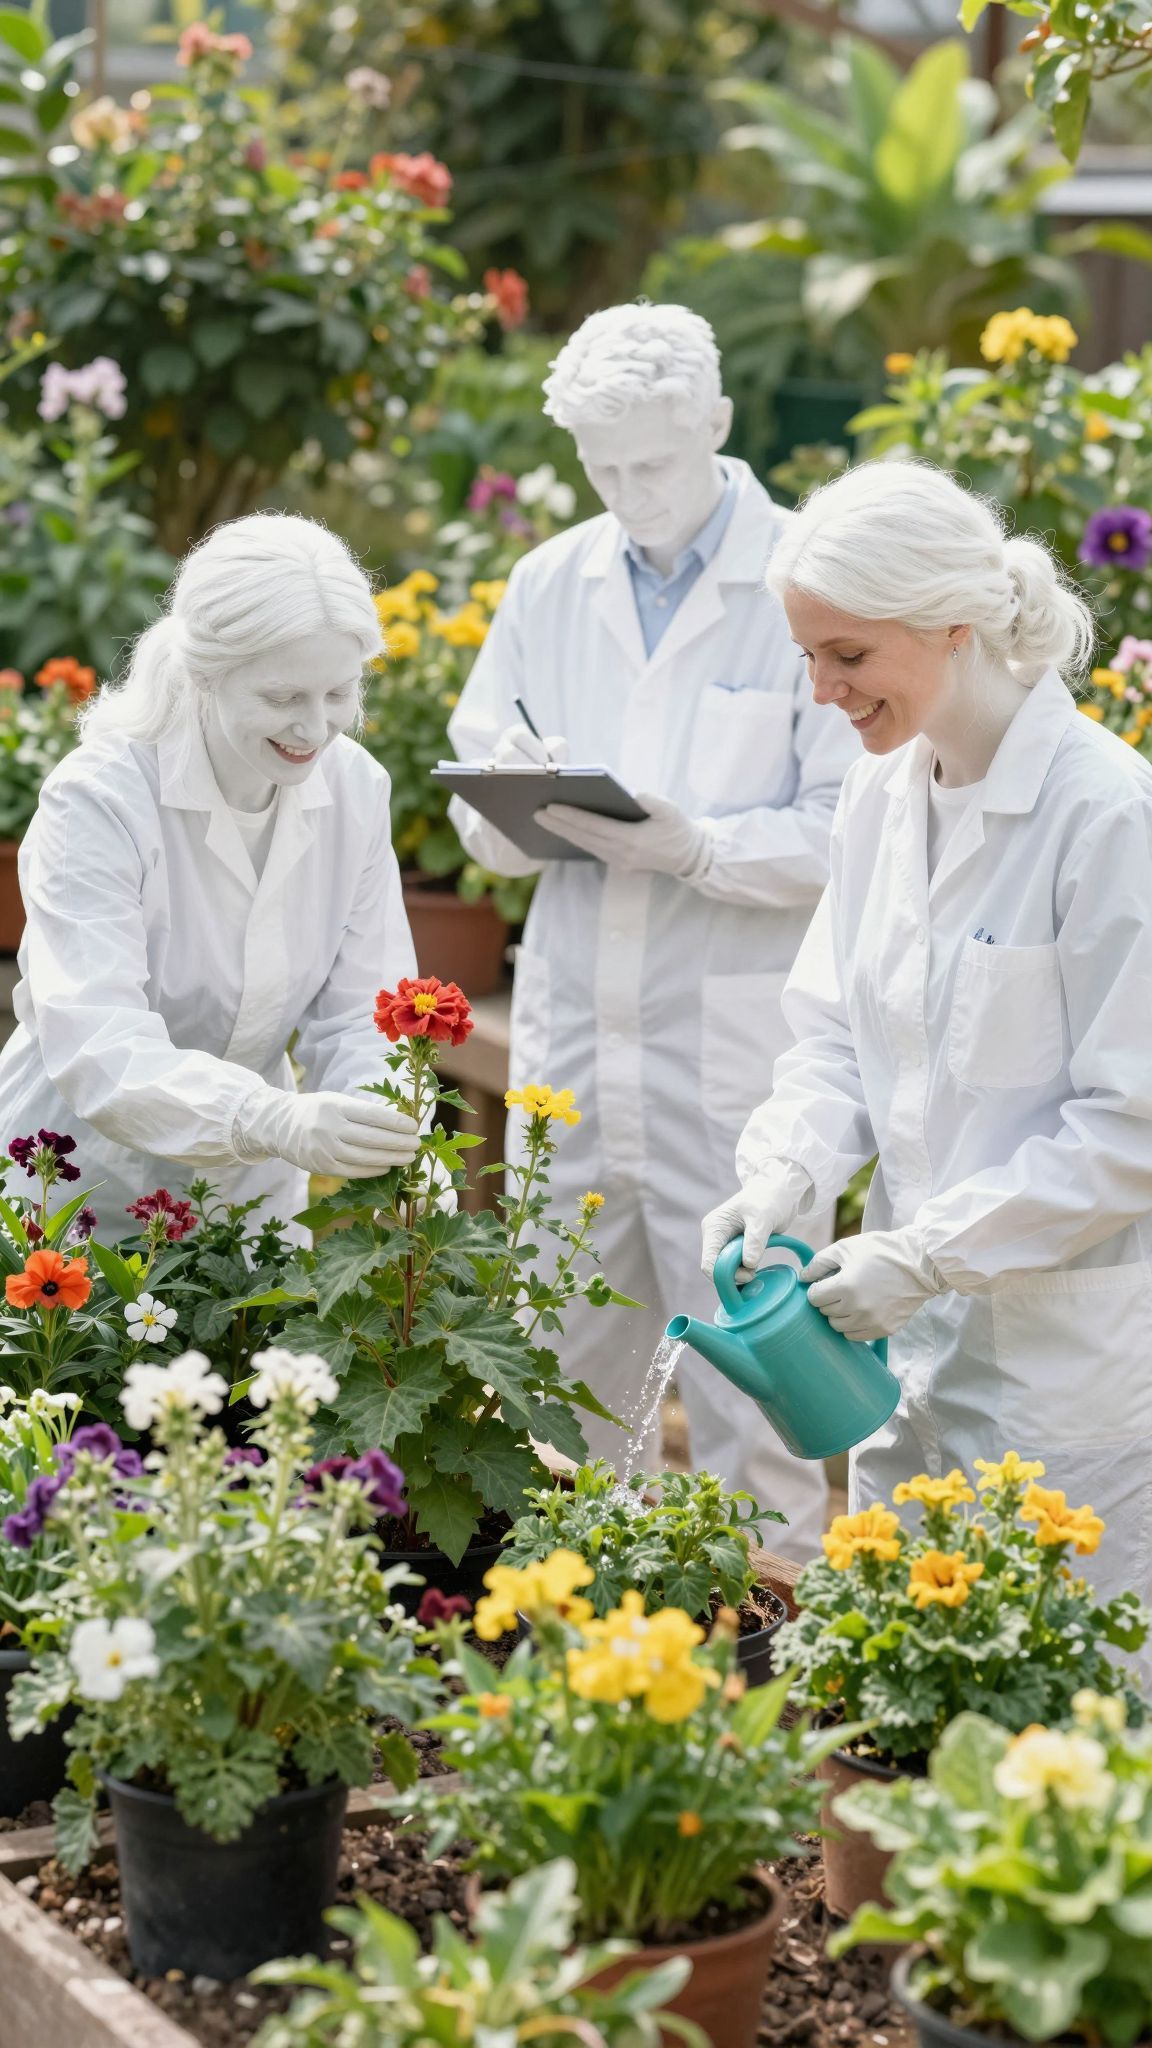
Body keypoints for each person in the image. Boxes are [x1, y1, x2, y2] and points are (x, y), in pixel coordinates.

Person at [702, 458, 1152, 1624]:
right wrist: (785, 1172)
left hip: (1068, 1375)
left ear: (955, 623)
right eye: (808, 655)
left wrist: (930, 1251)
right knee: (899, 1709)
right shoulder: (881, 794)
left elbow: (1130, 1125)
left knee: (1068, 1723)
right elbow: (835, 1037)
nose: (821, 692)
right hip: (906, 1359)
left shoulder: (1106, 815)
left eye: (848, 655)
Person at [447, 304, 859, 1557]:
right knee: (567, 1353)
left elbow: (853, 825)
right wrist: (518, 804)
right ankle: (587, 1619)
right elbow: (477, 791)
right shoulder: (548, 582)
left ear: (720, 427)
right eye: (603, 466)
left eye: (655, 463)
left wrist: (699, 845)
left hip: (732, 1049)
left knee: (756, 1369)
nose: (630, 492)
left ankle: (774, 1645)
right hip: (574, 1033)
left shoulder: (808, 579)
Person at [0, 513, 422, 1239]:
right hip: (69, 1194)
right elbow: (99, 1044)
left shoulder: (354, 788)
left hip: (247, 1204)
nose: (316, 730)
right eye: (283, 698)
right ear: (205, 676)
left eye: (338, 694)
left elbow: (361, 1014)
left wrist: (387, 1135)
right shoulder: (101, 798)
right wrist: (271, 1118)